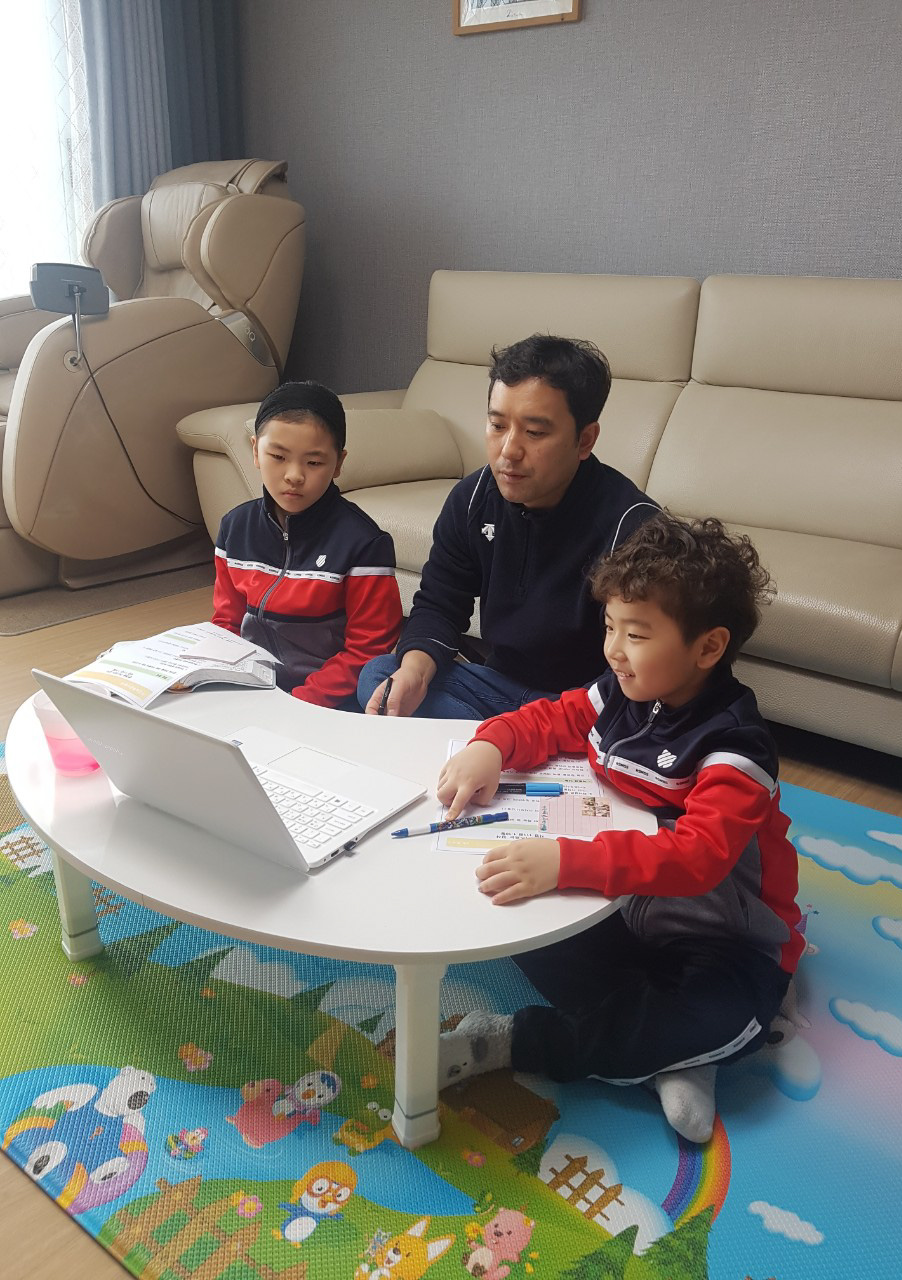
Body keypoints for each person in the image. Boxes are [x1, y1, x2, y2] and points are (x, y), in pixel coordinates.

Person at [433, 512, 803, 1143]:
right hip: (626, 914)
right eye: (609, 626)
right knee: (521, 921)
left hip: (724, 940)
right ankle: (663, 1054)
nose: (612, 649)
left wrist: (567, 861)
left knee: (727, 1018)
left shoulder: (736, 746)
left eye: (635, 634)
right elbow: (556, 717)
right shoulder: (622, 691)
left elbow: (698, 856)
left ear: (708, 648)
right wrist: (491, 745)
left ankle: (513, 1042)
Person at [357, 335, 658, 720]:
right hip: (499, 686)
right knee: (382, 675)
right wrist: (414, 671)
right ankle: (502, 743)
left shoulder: (633, 530)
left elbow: (637, 671)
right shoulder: (472, 499)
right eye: (497, 425)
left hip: (583, 704)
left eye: (535, 433)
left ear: (585, 440)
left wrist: (535, 728)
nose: (509, 450)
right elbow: (440, 603)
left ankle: (498, 742)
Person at [212, 381, 402, 707]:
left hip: (325, 700)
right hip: (252, 689)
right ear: (255, 451)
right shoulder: (235, 527)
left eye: (313, 462)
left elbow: (367, 649)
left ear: (338, 463)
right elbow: (226, 623)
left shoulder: (363, 543)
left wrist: (298, 704)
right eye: (278, 456)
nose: (294, 475)